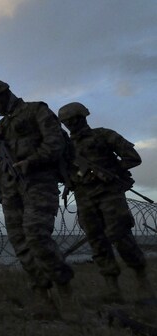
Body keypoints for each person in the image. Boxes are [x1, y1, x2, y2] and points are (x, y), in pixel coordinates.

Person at [0, 80, 80, 321]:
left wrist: (32, 161)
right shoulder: (2, 125)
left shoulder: (36, 110)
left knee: (37, 236)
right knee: (21, 243)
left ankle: (64, 289)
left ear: (3, 94)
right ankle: (43, 296)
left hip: (38, 184)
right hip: (9, 190)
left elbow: (55, 143)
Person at [58, 102, 155, 304]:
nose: (71, 124)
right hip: (84, 197)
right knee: (97, 241)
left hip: (109, 194)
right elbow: (61, 171)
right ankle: (112, 289)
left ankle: (142, 281)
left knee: (120, 236)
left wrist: (112, 171)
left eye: (74, 120)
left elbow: (133, 157)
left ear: (83, 117)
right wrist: (69, 179)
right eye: (67, 122)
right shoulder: (65, 146)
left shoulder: (103, 135)